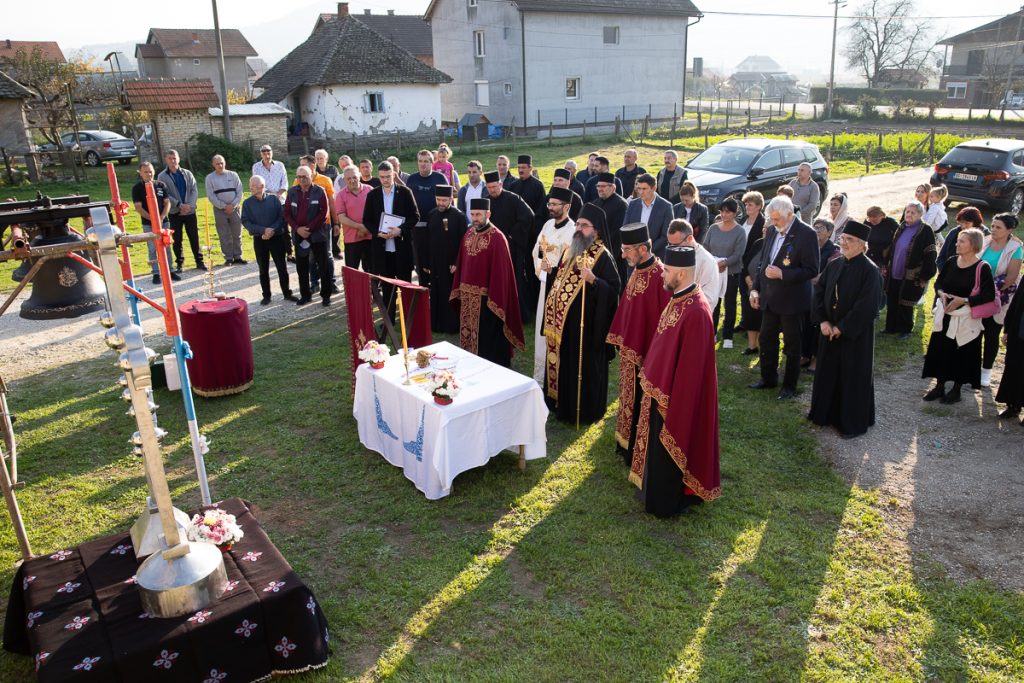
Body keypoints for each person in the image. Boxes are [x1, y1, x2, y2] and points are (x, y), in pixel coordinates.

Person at [629, 245, 720, 517]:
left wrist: (672, 399)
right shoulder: (679, 297)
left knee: (669, 449)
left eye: (667, 270)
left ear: (681, 273)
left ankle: (667, 502)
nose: (662, 275)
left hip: (675, 398)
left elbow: (692, 371)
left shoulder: (697, 312)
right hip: (661, 389)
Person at [541, 203, 620, 425]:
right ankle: (557, 402)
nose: (578, 228)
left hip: (585, 328)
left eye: (584, 226)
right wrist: (551, 272)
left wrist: (595, 281)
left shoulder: (603, 256)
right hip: (561, 324)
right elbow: (562, 278)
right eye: (578, 224)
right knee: (561, 362)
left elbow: (614, 290)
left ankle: (580, 410)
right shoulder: (570, 249)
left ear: (597, 230)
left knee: (580, 366)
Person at [808, 221, 883, 439]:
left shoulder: (871, 272)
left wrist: (842, 327)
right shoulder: (834, 264)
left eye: (849, 240)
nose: (844, 243)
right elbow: (819, 293)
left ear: (862, 245)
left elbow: (867, 306)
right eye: (843, 239)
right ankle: (824, 414)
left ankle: (850, 422)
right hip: (828, 332)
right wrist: (823, 321)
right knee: (828, 373)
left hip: (853, 337)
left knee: (852, 377)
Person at [607, 223, 671, 464]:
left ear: (642, 249)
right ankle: (624, 440)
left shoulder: (660, 275)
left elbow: (664, 318)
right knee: (626, 395)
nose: (622, 255)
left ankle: (635, 445)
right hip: (629, 348)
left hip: (646, 352)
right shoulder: (637, 268)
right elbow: (629, 304)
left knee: (639, 399)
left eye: (626, 250)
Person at [748, 195, 819, 400]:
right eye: (772, 218)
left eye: (777, 219)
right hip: (769, 298)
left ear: (789, 215)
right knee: (767, 339)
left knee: (792, 345)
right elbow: (763, 263)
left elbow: (812, 269)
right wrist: (755, 289)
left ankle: (789, 386)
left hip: (792, 301)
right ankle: (768, 378)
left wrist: (783, 274)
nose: (774, 222)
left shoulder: (806, 234)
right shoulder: (771, 230)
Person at [922, 228, 996, 403]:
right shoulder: (951, 261)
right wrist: (941, 294)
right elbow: (939, 283)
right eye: (958, 240)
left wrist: (964, 300)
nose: (957, 243)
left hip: (966, 318)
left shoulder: (982, 268)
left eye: (962, 241)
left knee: (962, 352)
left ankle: (956, 389)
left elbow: (988, 296)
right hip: (946, 314)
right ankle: (939, 386)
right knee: (941, 349)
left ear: (973, 245)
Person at [449, 198, 526, 366]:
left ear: (488, 214)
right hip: (468, 298)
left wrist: (494, 296)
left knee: (488, 344)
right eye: (472, 214)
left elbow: (501, 274)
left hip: (488, 300)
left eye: (478, 214)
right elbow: (462, 263)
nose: (474, 218)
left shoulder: (497, 238)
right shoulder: (468, 234)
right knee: (468, 338)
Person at [362, 161, 420, 316]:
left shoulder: (405, 192)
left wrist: (400, 230)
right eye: (382, 177)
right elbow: (366, 220)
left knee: (405, 284)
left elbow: (415, 217)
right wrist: (377, 233)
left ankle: (408, 317)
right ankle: (389, 318)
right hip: (382, 249)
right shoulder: (373, 195)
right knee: (387, 286)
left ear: (394, 174)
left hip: (401, 247)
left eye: (388, 176)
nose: (385, 180)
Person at [531, 186, 576, 382]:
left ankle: (557, 377)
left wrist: (553, 268)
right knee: (542, 328)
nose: (550, 207)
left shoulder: (573, 231)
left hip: (560, 288)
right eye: (549, 203)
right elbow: (537, 249)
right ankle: (541, 377)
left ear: (567, 206)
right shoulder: (548, 224)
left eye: (555, 204)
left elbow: (570, 260)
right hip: (544, 282)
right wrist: (542, 265)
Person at [979, 213, 1023, 387]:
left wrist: (989, 292)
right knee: (974, 332)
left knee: (991, 333)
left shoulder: (1016, 248)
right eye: (993, 226)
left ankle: (986, 371)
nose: (994, 230)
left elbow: (1011, 277)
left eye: (998, 227)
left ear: (1009, 230)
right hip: (978, 294)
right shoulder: (986, 241)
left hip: (1000, 298)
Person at [485, 170, 535, 322]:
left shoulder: (513, 199)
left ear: (500, 184)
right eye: (489, 187)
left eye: (495, 186)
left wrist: (512, 234)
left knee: (515, 280)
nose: (492, 190)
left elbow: (529, 216)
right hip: (493, 250)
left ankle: (520, 315)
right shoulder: (486, 201)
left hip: (513, 248)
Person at [883, 200, 936, 340]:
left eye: (913, 212)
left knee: (906, 302)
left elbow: (930, 254)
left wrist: (925, 276)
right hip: (895, 270)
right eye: (907, 211)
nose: (909, 215)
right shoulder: (902, 227)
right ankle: (891, 327)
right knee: (893, 299)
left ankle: (905, 329)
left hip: (912, 275)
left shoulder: (925, 230)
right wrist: (885, 264)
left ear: (920, 214)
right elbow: (894, 247)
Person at [241, 175, 294, 305]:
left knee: (282, 267)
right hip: (260, 240)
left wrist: (272, 230)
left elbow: (281, 218)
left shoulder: (274, 200)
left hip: (276, 238)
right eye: (250, 185)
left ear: (262, 187)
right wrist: (263, 230)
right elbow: (246, 221)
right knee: (263, 269)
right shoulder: (247, 203)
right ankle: (266, 295)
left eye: (254, 185)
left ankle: (287, 293)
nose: (251, 187)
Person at [703, 197, 748, 348]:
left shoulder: (740, 231)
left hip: (731, 273)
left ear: (735, 213)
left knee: (730, 304)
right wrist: (713, 263)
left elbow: (738, 253)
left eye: (728, 212)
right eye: (722, 211)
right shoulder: (713, 228)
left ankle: (728, 335)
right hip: (714, 272)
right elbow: (706, 247)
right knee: (714, 302)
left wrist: (725, 263)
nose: (724, 214)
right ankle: (712, 332)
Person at [284, 166, 331, 306]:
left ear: (312, 176)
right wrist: (298, 229)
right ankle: (305, 295)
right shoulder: (292, 192)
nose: (302, 179)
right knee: (302, 267)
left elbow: (324, 213)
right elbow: (286, 213)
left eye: (305, 176)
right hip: (299, 236)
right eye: (299, 177)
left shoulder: (319, 191)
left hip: (317, 235)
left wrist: (309, 229)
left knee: (323, 266)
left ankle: (326, 296)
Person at [425, 185, 468, 334]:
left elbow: (464, 243)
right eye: (438, 200)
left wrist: (457, 263)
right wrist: (427, 262)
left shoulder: (459, 216)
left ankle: (451, 326)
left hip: (451, 264)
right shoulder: (431, 214)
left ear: (451, 199)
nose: (441, 203)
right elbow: (428, 240)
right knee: (436, 292)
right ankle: (436, 324)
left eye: (444, 200)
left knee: (449, 294)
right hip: (435, 262)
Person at [131, 161, 180, 284]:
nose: (149, 174)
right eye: (146, 172)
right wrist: (153, 219)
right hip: (148, 224)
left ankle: (170, 270)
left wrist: (162, 216)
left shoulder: (160, 185)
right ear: (140, 173)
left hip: (164, 221)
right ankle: (156, 273)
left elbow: (167, 202)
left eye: (151, 171)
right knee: (152, 248)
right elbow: (138, 207)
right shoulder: (137, 188)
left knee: (167, 245)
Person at [405, 150, 449, 285]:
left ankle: (439, 288)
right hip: (417, 228)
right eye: (420, 161)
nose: (423, 164)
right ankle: (424, 289)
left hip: (436, 227)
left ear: (432, 163)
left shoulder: (440, 178)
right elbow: (407, 203)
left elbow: (448, 201)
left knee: (438, 259)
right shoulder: (412, 179)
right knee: (420, 262)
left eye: (426, 161)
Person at [157, 149, 205, 273]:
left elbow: (194, 190)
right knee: (177, 239)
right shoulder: (162, 176)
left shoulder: (187, 173)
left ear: (178, 159)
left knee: (194, 237)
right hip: (174, 212)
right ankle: (180, 263)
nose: (173, 161)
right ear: (166, 160)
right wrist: (179, 205)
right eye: (170, 158)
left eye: (174, 158)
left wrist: (189, 205)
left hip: (190, 212)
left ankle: (199, 261)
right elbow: (165, 194)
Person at [803, 218, 841, 371]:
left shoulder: (834, 251)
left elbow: (826, 276)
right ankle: (804, 355)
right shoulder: (808, 246)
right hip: (805, 293)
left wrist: (806, 276)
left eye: (821, 228)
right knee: (805, 325)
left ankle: (815, 360)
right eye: (815, 227)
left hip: (823, 295)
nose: (817, 231)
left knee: (817, 326)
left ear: (830, 231)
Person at [297, 155, 338, 294]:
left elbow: (331, 202)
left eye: (304, 165)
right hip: (306, 227)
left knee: (327, 254)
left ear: (312, 166)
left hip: (323, 225)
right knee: (310, 255)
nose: (301, 169)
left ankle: (331, 283)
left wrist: (336, 222)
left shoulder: (325, 180)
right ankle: (314, 283)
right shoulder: (297, 181)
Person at [666, 218, 723, 310]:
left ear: (690, 238)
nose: (672, 249)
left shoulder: (707, 262)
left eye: (676, 245)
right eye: (669, 244)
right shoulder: (675, 254)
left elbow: (709, 299)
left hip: (693, 315)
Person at [204, 155, 246, 265]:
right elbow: (211, 196)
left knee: (237, 233)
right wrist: (223, 206)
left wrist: (233, 205)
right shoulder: (210, 178)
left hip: (235, 209)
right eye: (217, 164)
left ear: (225, 163)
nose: (220, 165)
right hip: (219, 210)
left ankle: (238, 256)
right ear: (213, 164)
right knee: (224, 234)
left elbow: (240, 192)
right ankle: (228, 258)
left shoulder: (233, 175)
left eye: (222, 163)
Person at [592, 172, 629, 285]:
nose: (600, 189)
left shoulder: (621, 204)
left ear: (613, 187)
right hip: (595, 252)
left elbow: (618, 232)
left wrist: (604, 251)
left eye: (603, 186)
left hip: (613, 254)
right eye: (598, 186)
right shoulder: (595, 203)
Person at [334, 164, 373, 272]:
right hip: (351, 239)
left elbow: (377, 213)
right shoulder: (341, 195)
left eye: (354, 177)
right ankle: (354, 290)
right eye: (349, 178)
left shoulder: (370, 190)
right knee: (352, 271)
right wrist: (360, 227)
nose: (352, 180)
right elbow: (341, 217)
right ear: (344, 180)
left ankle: (374, 289)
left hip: (370, 237)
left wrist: (366, 228)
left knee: (372, 270)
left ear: (359, 176)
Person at [738, 190, 766, 337]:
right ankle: (744, 322)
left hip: (752, 264)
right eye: (746, 204)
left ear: (759, 206)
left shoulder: (763, 223)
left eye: (751, 205)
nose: (747, 207)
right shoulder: (743, 220)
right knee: (742, 293)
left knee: (752, 293)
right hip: (740, 262)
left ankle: (753, 324)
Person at [994, 287, 1024, 423]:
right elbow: (1016, 303)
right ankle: (1013, 406)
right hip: (1020, 331)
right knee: (1014, 367)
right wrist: (1008, 330)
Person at [624, 173, 673, 257]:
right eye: (639, 188)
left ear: (654, 188)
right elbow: (625, 228)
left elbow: (666, 236)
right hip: (634, 256)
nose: (641, 192)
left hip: (655, 256)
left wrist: (646, 250)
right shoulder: (632, 204)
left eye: (644, 189)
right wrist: (634, 250)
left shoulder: (666, 207)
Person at [936, 206, 987, 273]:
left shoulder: (986, 236)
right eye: (961, 222)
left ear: (976, 223)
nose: (963, 226)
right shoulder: (954, 233)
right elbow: (941, 258)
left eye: (967, 223)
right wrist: (945, 272)